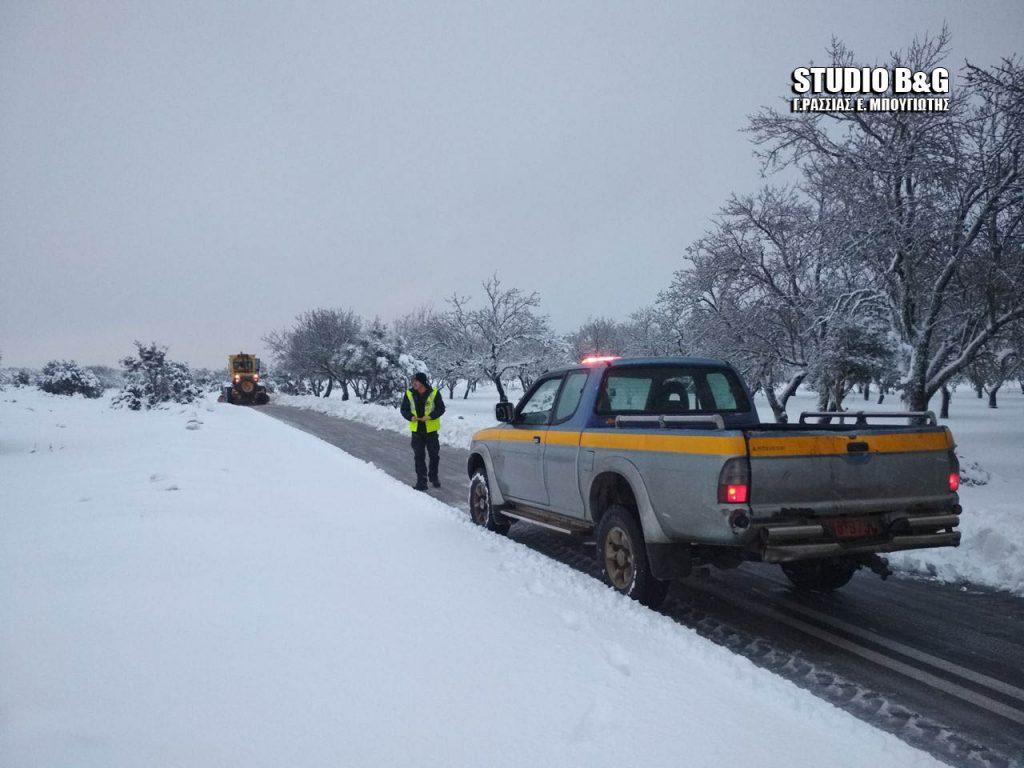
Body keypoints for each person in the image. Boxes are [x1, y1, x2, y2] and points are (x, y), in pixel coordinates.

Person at [400, 372, 446, 491]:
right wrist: (410, 417)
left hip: (431, 430)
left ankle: (433, 476)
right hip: (417, 430)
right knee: (419, 456)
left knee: (434, 456)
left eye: (416, 381)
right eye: (413, 381)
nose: (414, 383)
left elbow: (441, 408)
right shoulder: (409, 393)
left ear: (422, 382)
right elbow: (404, 409)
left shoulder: (434, 393)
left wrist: (430, 416)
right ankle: (421, 481)